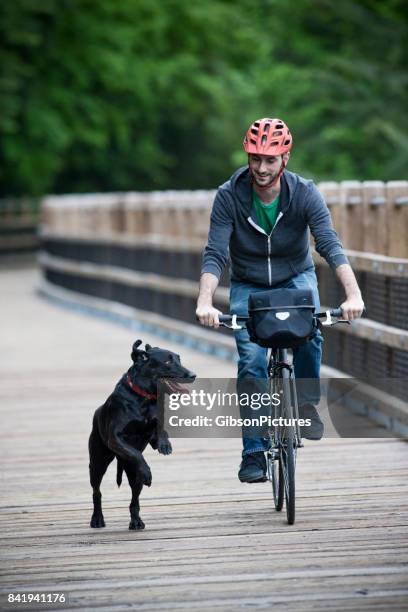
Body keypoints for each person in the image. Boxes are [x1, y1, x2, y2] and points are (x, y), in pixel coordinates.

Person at [196, 117, 364, 483]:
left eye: (270, 159)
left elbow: (329, 244)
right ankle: (254, 451)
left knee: (311, 333)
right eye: (255, 158)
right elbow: (215, 252)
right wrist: (205, 301)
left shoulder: (304, 193)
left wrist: (353, 294)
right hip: (249, 285)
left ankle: (305, 404)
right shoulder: (229, 196)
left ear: (285, 158)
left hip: (295, 277)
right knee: (252, 360)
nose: (261, 168)